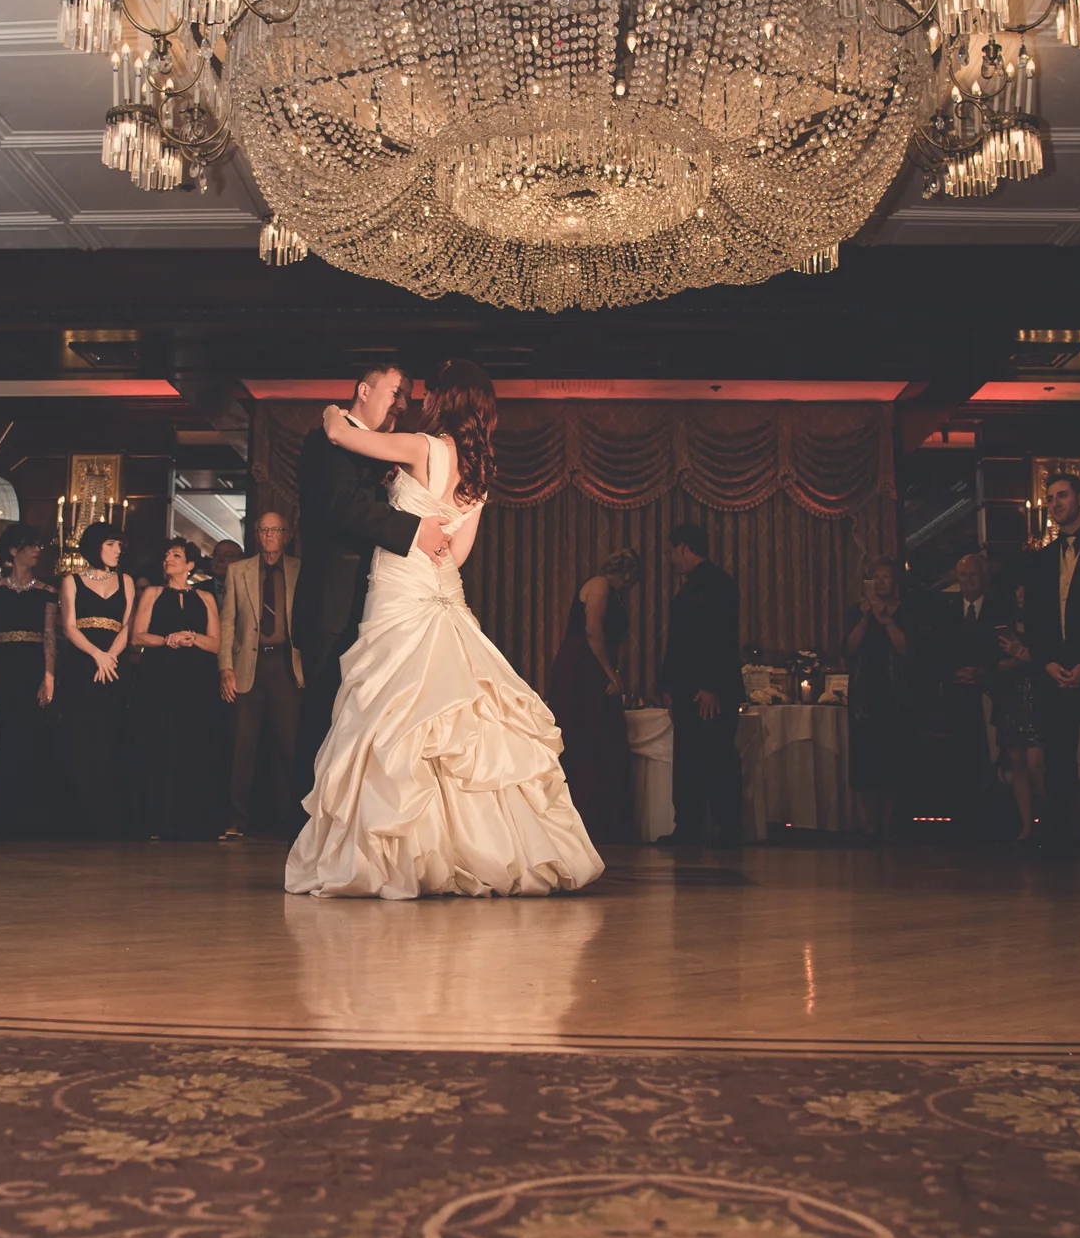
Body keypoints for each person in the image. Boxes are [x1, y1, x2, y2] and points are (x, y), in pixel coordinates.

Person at [286, 358, 603, 898]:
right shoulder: (480, 475)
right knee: (456, 716)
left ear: (444, 401)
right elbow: (455, 555)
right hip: (441, 591)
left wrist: (332, 411)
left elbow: (340, 434)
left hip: (399, 589)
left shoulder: (423, 447)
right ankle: (481, 848)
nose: (419, 401)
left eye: (430, 393)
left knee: (392, 713)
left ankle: (397, 851)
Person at [291, 364, 447, 801]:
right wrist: (414, 531)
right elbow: (344, 505)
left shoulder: (378, 449)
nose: (402, 404)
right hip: (332, 604)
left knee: (360, 723)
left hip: (377, 602)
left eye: (407, 397)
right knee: (325, 719)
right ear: (363, 390)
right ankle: (308, 827)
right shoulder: (326, 442)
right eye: (396, 392)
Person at [1020, 472, 1080, 854]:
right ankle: (1059, 838)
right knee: (1058, 758)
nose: (1055, 503)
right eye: (1050, 498)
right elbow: (1034, 619)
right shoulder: (1042, 559)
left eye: (1062, 495)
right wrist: (1047, 662)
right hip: (1054, 668)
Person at [657, 523, 744, 850]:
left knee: (717, 758)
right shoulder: (696, 584)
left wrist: (711, 686)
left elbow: (719, 637)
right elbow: (679, 640)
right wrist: (668, 685)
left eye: (671, 551)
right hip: (688, 688)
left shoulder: (718, 584)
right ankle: (688, 827)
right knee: (691, 760)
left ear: (683, 547)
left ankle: (729, 828)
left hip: (708, 690)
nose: (670, 558)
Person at [219, 511, 303, 840]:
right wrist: (225, 667)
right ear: (256, 534)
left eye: (275, 530)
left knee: (289, 746)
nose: (269, 535)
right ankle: (236, 819)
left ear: (286, 534)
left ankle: (290, 821)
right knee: (241, 746)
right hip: (247, 666)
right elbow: (228, 622)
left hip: (286, 665)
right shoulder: (238, 570)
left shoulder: (299, 569)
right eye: (263, 530)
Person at [131, 537, 223, 840]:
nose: (168, 559)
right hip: (159, 675)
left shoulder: (206, 597)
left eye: (176, 555)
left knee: (194, 743)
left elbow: (216, 644)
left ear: (190, 565)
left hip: (197, 679)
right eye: (167, 555)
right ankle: (156, 820)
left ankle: (194, 820)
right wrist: (166, 639)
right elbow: (137, 636)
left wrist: (192, 638)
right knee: (159, 741)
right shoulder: (153, 593)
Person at [548, 548, 640, 846]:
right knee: (586, 737)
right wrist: (610, 673)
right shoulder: (600, 585)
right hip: (582, 667)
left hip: (595, 664)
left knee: (603, 738)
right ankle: (584, 818)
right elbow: (592, 631)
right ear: (627, 574)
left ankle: (603, 820)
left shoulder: (614, 593)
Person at [56, 522, 135, 839]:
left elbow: (128, 625)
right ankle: (79, 818)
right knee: (80, 737)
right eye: (111, 544)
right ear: (95, 546)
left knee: (111, 735)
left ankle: (109, 819)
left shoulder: (126, 580)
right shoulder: (71, 581)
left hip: (114, 665)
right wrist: (96, 655)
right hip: (82, 664)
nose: (118, 550)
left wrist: (110, 656)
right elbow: (69, 627)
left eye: (119, 545)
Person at [0, 523, 56, 837]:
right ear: (14, 551)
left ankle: (30, 818)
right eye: (31, 545)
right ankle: (1, 817)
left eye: (39, 545)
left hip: (33, 665)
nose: (37, 551)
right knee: (8, 732)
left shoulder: (46, 591)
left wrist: (48, 675)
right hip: (4, 668)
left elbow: (49, 635)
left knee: (32, 734)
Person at [844, 557, 912, 841]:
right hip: (865, 692)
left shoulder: (905, 611)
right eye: (876, 576)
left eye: (886, 576)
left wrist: (885, 620)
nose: (881, 581)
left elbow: (906, 648)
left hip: (895, 691)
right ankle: (870, 822)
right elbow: (849, 648)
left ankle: (888, 822)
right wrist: (866, 618)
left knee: (892, 759)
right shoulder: (856, 611)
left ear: (895, 581)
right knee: (865, 760)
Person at [939, 553, 1000, 840]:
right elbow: (937, 649)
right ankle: (961, 821)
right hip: (956, 695)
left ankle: (989, 821)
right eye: (962, 575)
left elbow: (1002, 646)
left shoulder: (998, 607)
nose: (967, 581)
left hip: (990, 694)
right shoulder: (947, 609)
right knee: (959, 759)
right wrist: (953, 673)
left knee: (987, 758)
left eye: (972, 575)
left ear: (983, 577)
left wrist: (983, 672)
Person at [992, 580, 1045, 843]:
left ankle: (1050, 817)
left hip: (1038, 698)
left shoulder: (1044, 623)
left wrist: (1024, 655)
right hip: (1011, 696)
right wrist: (1015, 658)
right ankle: (1026, 825)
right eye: (1017, 590)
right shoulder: (1004, 624)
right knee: (1016, 762)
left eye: (1025, 590)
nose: (1021, 595)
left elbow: (1045, 657)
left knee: (1037, 762)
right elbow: (993, 662)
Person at [210, 539, 244, 604]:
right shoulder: (196, 591)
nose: (220, 560)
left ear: (241, 560)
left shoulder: (251, 590)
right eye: (216, 555)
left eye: (228, 555)